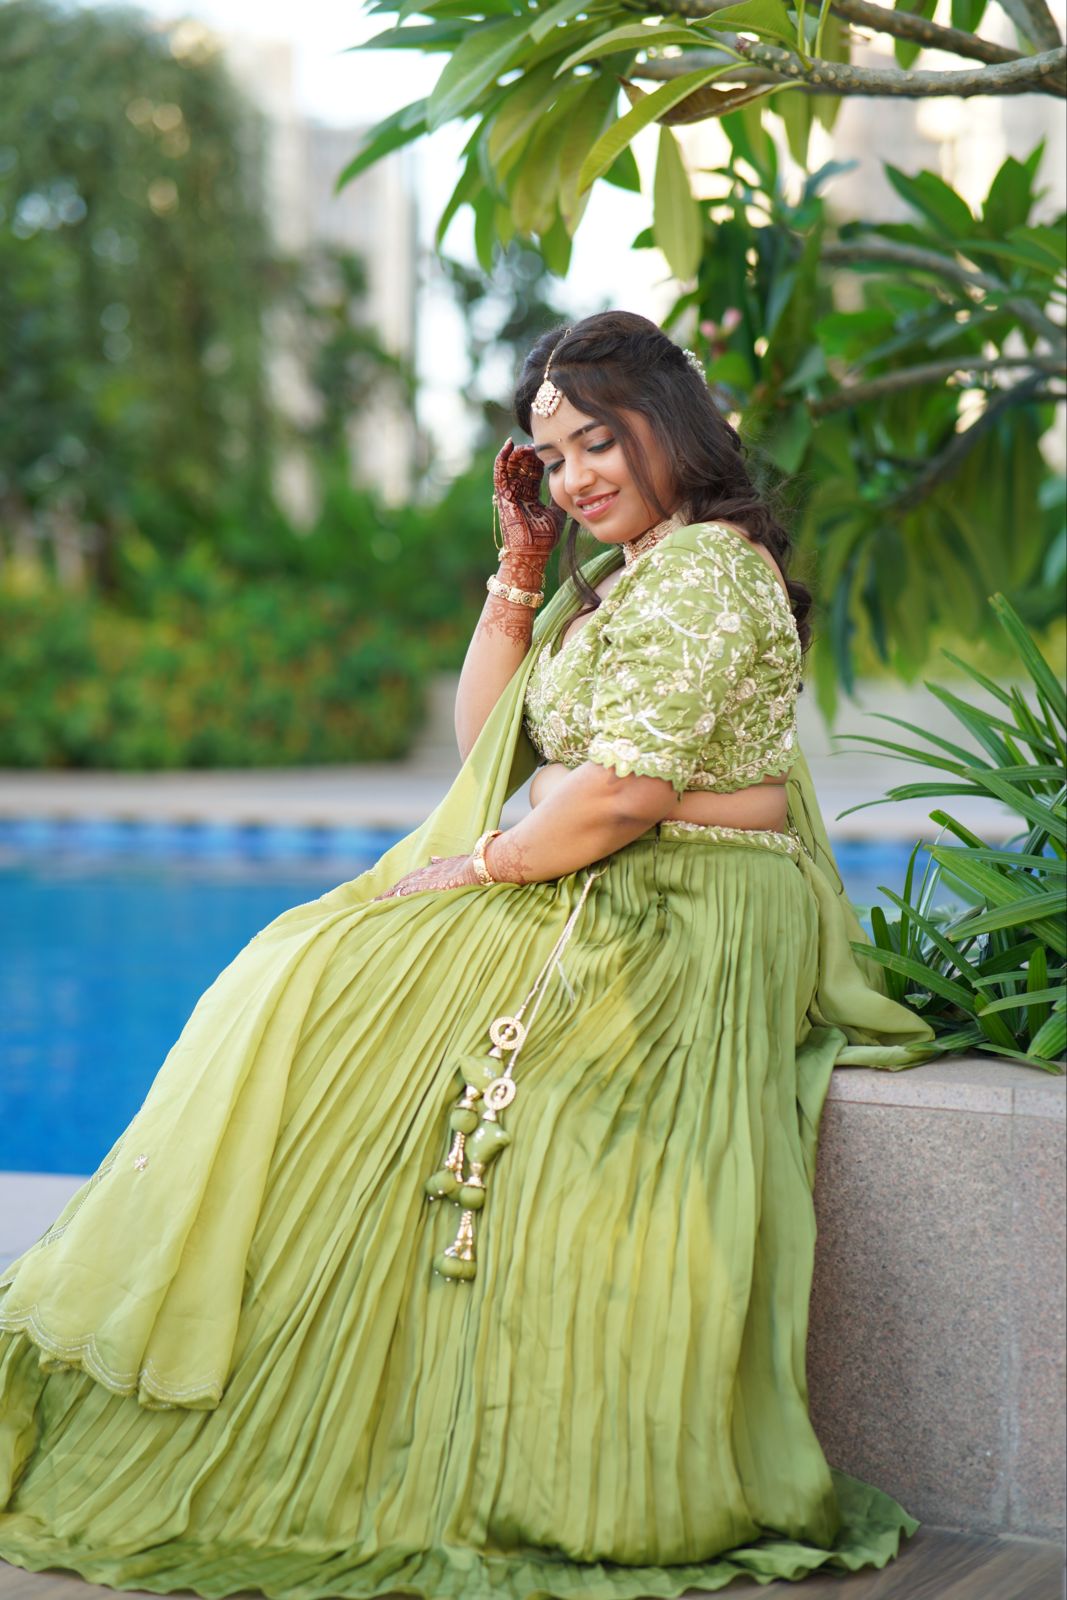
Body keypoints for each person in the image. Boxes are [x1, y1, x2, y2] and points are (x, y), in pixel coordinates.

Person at [0, 310, 936, 1599]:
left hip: (682, 904)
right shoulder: (632, 573)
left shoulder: (708, 571)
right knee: (304, 968)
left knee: (327, 982)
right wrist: (520, 569)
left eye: (597, 443)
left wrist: (489, 862)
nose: (576, 477)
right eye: (552, 459)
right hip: (609, 865)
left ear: (671, 424)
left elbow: (623, 794)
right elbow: (494, 744)